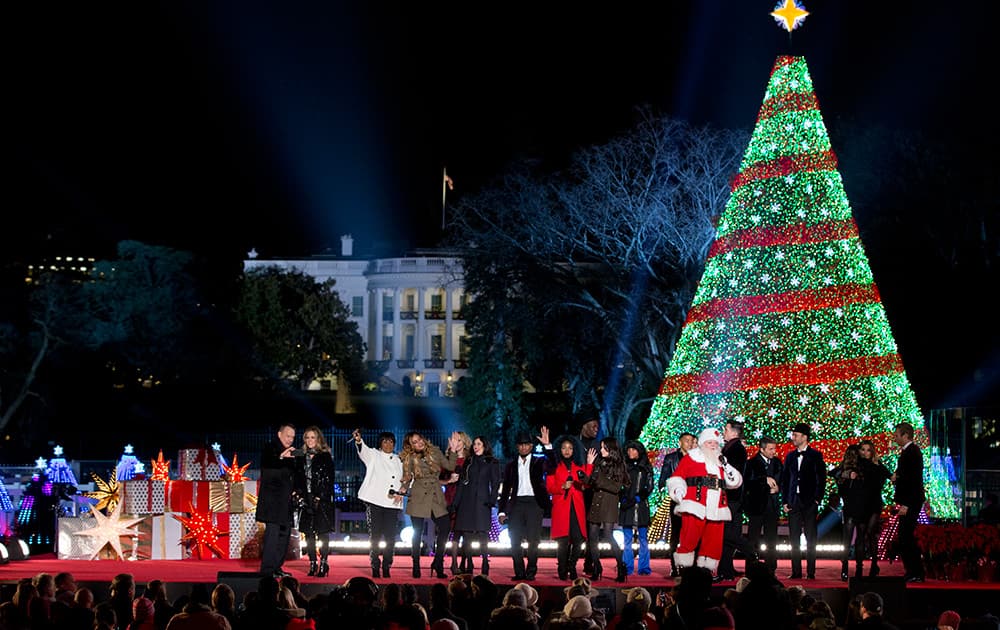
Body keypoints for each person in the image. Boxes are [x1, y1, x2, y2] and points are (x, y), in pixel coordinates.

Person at [665, 427, 743, 575]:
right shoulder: (692, 457)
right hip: (695, 504)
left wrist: (726, 467)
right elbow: (677, 477)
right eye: (709, 442)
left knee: (713, 541)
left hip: (717, 506)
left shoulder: (721, 460)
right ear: (702, 443)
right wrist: (678, 491)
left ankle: (706, 572)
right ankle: (685, 570)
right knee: (690, 537)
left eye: (715, 442)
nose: (713, 445)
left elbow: (734, 481)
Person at [398, 431, 460, 578]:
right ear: (410, 446)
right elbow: (407, 477)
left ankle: (438, 563)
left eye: (419, 439)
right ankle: (416, 565)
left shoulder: (436, 451)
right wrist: (403, 488)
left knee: (445, 527)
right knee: (417, 533)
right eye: (414, 442)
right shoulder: (409, 458)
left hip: (435, 495)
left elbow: (450, 466)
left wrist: (453, 450)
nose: (419, 442)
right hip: (418, 496)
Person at [498, 427, 553, 581]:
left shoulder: (539, 461)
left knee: (533, 540)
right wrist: (502, 511)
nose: (523, 447)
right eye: (520, 444)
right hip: (516, 504)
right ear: (517, 446)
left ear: (531, 446)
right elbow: (506, 490)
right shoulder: (510, 465)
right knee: (514, 539)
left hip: (534, 503)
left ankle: (531, 572)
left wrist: (548, 446)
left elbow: (554, 466)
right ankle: (519, 572)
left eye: (526, 444)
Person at [353, 428, 404, 579]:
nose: (388, 444)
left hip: (392, 503)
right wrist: (358, 440)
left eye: (391, 441)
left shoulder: (400, 459)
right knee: (374, 536)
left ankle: (387, 565)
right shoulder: (374, 455)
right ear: (380, 444)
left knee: (390, 538)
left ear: (394, 444)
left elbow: (407, 478)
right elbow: (364, 451)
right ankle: (375, 564)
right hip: (375, 501)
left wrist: (402, 491)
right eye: (385, 441)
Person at [778, 422, 826, 580]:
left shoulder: (815, 456)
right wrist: (785, 500)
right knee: (794, 537)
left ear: (804, 437)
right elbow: (785, 480)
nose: (793, 438)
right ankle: (796, 571)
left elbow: (821, 479)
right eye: (793, 435)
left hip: (810, 501)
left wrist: (817, 499)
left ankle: (811, 571)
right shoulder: (790, 456)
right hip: (793, 501)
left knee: (811, 537)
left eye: (796, 435)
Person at [452, 435, 502, 575]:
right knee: (466, 535)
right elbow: (462, 483)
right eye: (474, 444)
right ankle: (469, 564)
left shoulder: (492, 462)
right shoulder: (469, 461)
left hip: (482, 502)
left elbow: (495, 482)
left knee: (482, 534)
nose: (476, 446)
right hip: (466, 502)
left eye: (479, 444)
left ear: (485, 446)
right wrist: (455, 503)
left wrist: (492, 500)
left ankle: (485, 562)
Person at [546, 434, 593, 580]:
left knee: (578, 540)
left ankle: (572, 566)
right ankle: (562, 568)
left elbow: (587, 483)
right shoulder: (554, 467)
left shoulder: (579, 467)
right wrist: (562, 486)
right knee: (563, 542)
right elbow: (549, 487)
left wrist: (590, 464)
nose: (567, 451)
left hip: (576, 508)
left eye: (570, 448)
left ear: (574, 450)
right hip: (561, 507)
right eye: (564, 448)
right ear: (559, 450)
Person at [293, 425, 336, 578]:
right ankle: (312, 563)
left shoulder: (325, 456)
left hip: (322, 500)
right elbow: (297, 478)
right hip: (306, 499)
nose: (310, 440)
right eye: (307, 437)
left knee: (323, 534)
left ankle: (324, 563)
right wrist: (299, 495)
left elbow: (330, 480)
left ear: (318, 439)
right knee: (309, 534)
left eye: (313, 437)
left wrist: (320, 496)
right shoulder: (300, 456)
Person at [257, 422, 298, 579]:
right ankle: (267, 570)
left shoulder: (293, 452)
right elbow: (268, 469)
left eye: (293, 437)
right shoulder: (270, 448)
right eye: (288, 436)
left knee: (284, 535)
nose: (290, 440)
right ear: (279, 434)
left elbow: (297, 469)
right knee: (272, 536)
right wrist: (282, 457)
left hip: (286, 501)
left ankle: (277, 567)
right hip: (272, 502)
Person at [584, 437, 628, 582]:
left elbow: (615, 487)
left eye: (604, 448)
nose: (601, 450)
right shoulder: (599, 463)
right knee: (592, 537)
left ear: (611, 449)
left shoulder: (618, 466)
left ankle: (621, 568)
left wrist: (597, 480)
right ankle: (597, 567)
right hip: (596, 501)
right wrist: (586, 472)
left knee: (608, 536)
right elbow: (591, 483)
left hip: (609, 503)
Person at [657, 432, 696, 578]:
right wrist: (666, 487)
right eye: (686, 440)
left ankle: (690, 566)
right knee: (676, 534)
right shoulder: (671, 458)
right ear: (680, 442)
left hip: (693, 501)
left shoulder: (696, 458)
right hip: (677, 501)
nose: (689, 443)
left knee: (691, 534)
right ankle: (674, 566)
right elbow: (664, 477)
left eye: (691, 441)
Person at [891, 421, 926, 583]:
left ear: (906, 435)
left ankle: (915, 572)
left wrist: (906, 503)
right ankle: (913, 571)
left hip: (911, 501)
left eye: (897, 435)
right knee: (905, 536)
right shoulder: (909, 452)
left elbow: (913, 480)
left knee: (906, 537)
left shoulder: (912, 452)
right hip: (910, 500)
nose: (895, 438)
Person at [743, 436, 782, 573]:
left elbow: (782, 480)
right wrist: (764, 480)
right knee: (753, 539)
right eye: (770, 449)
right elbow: (747, 483)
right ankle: (751, 568)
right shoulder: (752, 463)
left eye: (774, 448)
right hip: (757, 507)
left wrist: (778, 489)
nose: (773, 452)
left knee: (771, 540)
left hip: (772, 507)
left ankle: (771, 568)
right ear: (762, 449)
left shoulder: (777, 463)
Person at [717, 420, 748, 581]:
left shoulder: (736, 449)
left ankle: (749, 551)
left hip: (732, 498)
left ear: (733, 431)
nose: (723, 431)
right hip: (731, 498)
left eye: (725, 429)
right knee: (730, 533)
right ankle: (726, 570)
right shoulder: (731, 447)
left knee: (727, 533)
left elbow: (732, 475)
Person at [857, 439, 892, 577]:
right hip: (860, 503)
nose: (865, 452)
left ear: (872, 452)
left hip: (874, 503)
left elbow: (890, 476)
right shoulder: (857, 465)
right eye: (863, 449)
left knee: (871, 532)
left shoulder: (877, 465)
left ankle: (874, 564)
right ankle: (859, 567)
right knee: (860, 535)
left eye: (868, 450)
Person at [620, 439, 653, 577]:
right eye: (629, 450)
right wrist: (623, 498)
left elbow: (649, 486)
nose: (630, 452)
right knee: (626, 539)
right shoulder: (624, 467)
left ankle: (644, 567)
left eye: (633, 450)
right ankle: (627, 566)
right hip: (627, 506)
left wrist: (640, 497)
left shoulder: (646, 468)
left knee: (643, 539)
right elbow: (619, 484)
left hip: (641, 506)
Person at [832, 444, 866, 580]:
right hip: (852, 507)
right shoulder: (844, 470)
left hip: (859, 506)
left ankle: (852, 569)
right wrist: (845, 474)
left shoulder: (863, 468)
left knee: (853, 539)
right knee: (853, 539)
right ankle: (850, 568)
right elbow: (833, 472)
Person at [443, 431, 472, 574]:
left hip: (466, 499)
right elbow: (441, 474)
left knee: (465, 532)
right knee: (454, 532)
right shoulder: (449, 458)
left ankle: (463, 563)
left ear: (465, 442)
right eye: (455, 440)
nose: (457, 443)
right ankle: (453, 563)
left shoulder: (470, 460)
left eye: (460, 440)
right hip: (451, 497)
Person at [578, 415, 600, 575]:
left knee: (592, 531)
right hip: (576, 492)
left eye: (597, 426)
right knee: (576, 530)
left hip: (592, 493)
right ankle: (569, 562)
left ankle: (589, 562)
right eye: (593, 426)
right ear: (584, 425)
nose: (596, 429)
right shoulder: (574, 444)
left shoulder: (599, 446)